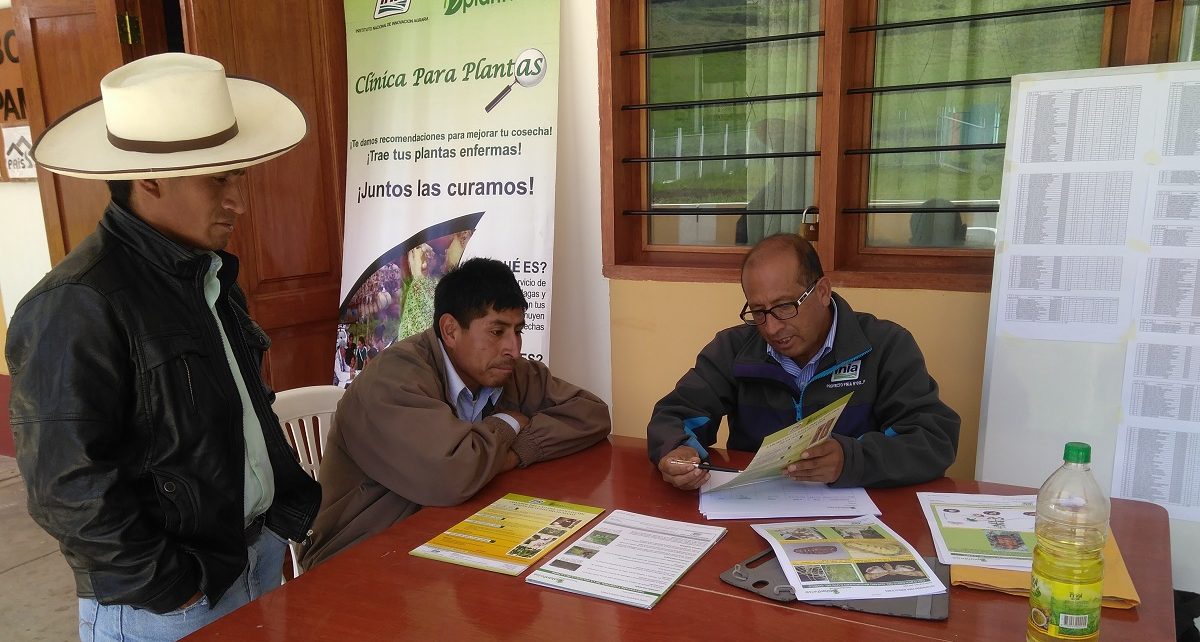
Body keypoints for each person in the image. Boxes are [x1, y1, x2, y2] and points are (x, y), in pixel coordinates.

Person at [5, 53, 321, 640]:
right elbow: (66, 485)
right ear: (149, 179)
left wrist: (274, 523)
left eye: (238, 177)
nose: (238, 202)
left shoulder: (207, 275)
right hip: (168, 603)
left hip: (252, 558)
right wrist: (173, 586)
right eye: (218, 180)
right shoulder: (77, 301)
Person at [299, 258, 611, 568]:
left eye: (518, 331)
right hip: (357, 555)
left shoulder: (506, 371)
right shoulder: (392, 379)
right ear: (450, 330)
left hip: (448, 540)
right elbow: (450, 476)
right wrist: (506, 424)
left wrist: (517, 452)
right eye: (497, 331)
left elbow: (591, 414)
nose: (513, 349)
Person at [648, 233, 959, 490]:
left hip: (856, 516)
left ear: (822, 291)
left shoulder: (885, 346)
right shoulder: (734, 349)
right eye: (758, 312)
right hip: (755, 508)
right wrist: (678, 450)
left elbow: (932, 439)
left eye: (785, 307)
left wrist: (851, 460)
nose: (772, 328)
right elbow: (675, 415)